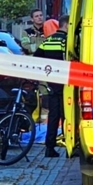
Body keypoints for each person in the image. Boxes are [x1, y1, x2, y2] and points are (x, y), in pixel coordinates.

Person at [34, 15, 69, 158]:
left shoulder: (47, 41)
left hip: (53, 83)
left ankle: (50, 148)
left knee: (54, 116)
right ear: (66, 25)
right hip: (67, 83)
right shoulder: (66, 41)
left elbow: (37, 57)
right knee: (67, 116)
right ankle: (70, 145)